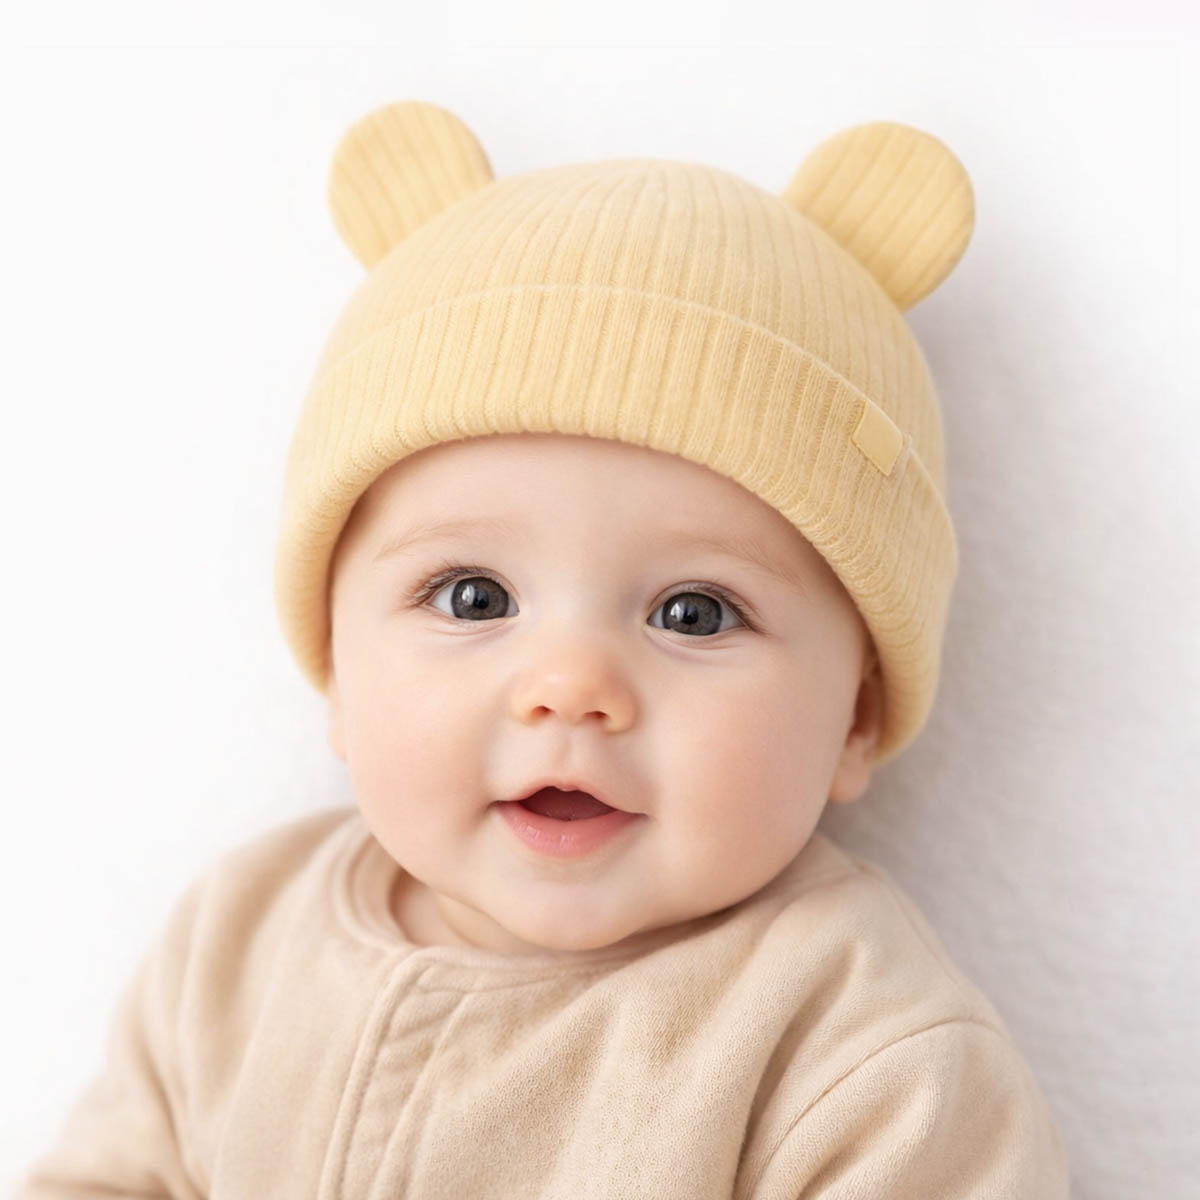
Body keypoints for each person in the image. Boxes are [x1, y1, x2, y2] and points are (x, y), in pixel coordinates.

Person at [17, 99, 1070, 1197]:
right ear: (335, 665)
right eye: (472, 596)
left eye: (694, 613)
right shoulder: (235, 946)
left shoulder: (867, 1062)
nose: (571, 688)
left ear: (855, 715)